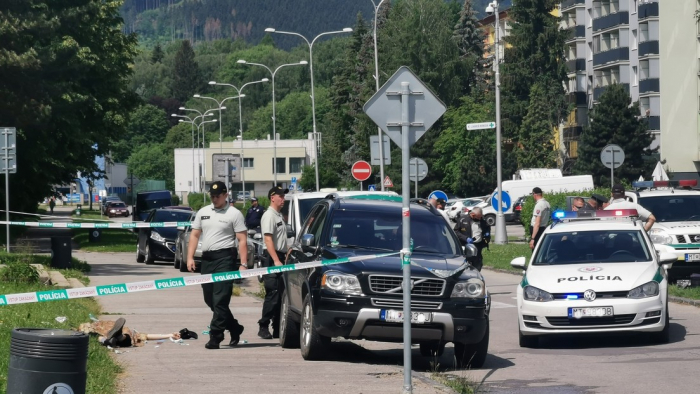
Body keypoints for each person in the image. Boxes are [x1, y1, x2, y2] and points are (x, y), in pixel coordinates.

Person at [187, 181, 248, 349]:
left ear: (225, 195)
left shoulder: (234, 214)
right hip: (207, 259)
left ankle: (216, 335)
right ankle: (235, 327)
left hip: (225, 259)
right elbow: (194, 235)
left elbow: (242, 240)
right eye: (212, 196)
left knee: (220, 299)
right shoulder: (203, 212)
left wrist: (243, 264)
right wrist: (190, 257)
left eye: (218, 196)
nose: (214, 199)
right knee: (210, 299)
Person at [257, 186, 289, 340]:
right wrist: (276, 260)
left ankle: (277, 327)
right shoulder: (269, 216)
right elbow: (268, 239)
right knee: (273, 293)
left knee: (281, 293)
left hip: (280, 257)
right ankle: (263, 326)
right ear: (272, 198)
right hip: (271, 258)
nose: (283, 199)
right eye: (281, 196)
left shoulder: (278, 216)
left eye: (284, 196)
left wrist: (287, 252)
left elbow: (281, 239)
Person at [78, 317, 198, 348]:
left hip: (103, 335)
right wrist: (169, 335)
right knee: (129, 338)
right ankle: (116, 339)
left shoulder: (94, 327)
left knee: (95, 337)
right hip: (127, 339)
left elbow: (146, 336)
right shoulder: (129, 332)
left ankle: (109, 340)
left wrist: (170, 335)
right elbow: (147, 336)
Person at [453, 206, 490, 271]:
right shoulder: (463, 219)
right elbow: (456, 231)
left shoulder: (482, 220)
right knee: (466, 262)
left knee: (478, 263)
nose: (480, 218)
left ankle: (476, 274)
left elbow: (487, 227)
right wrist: (465, 238)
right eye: (478, 217)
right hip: (466, 245)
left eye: (480, 217)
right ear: (473, 215)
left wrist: (487, 234)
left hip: (478, 245)